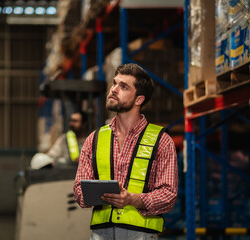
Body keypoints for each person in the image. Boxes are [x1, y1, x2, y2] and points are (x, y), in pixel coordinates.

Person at [73, 63, 178, 239]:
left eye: (123, 87)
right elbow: (78, 190)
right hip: (101, 234)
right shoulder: (94, 139)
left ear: (139, 99)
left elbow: (168, 195)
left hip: (141, 234)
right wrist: (100, 194)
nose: (113, 89)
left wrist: (133, 199)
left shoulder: (161, 141)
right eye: (114, 83)